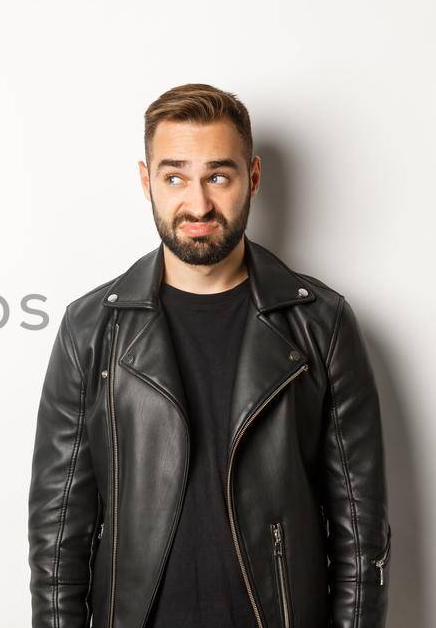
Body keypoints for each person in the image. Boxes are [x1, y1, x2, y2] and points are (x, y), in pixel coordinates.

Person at [27, 84, 391, 628]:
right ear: (147, 182)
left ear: (254, 178)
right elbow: (57, 541)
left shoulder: (323, 324)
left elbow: (360, 536)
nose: (198, 204)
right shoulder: (91, 329)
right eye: (175, 177)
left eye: (218, 176)